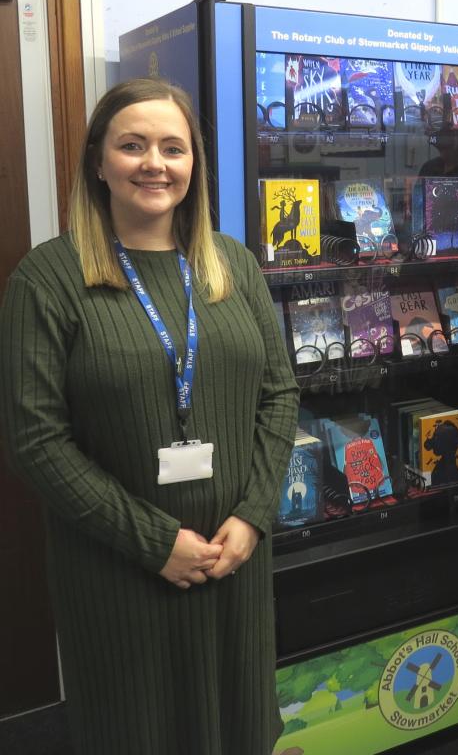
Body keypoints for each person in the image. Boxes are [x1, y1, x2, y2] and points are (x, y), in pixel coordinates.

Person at [0, 78, 299, 754]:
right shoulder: (48, 279)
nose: (155, 163)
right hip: (117, 576)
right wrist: (153, 542)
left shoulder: (234, 266)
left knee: (240, 728)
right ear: (98, 162)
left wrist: (253, 516)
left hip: (234, 562)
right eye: (132, 146)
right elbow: (34, 441)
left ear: (194, 163)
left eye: (173, 147)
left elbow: (279, 395)